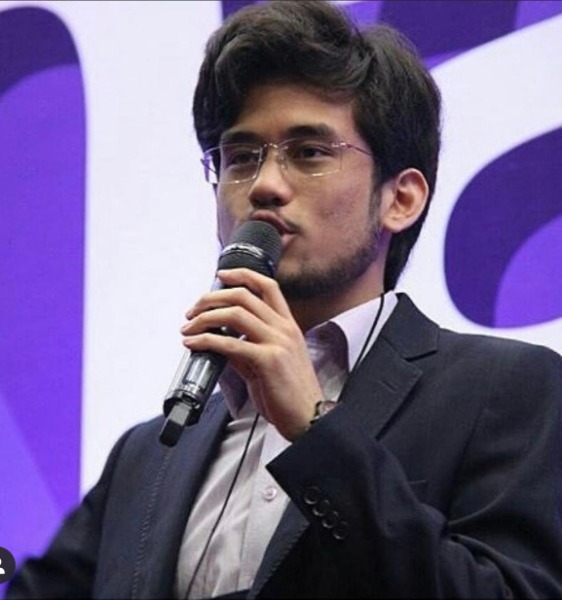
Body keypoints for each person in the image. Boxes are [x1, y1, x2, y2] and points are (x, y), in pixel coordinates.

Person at [7, 1, 562, 598]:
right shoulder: (147, 455)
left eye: (309, 153)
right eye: (241, 157)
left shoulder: (505, 391)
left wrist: (316, 431)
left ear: (400, 199)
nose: (265, 185)